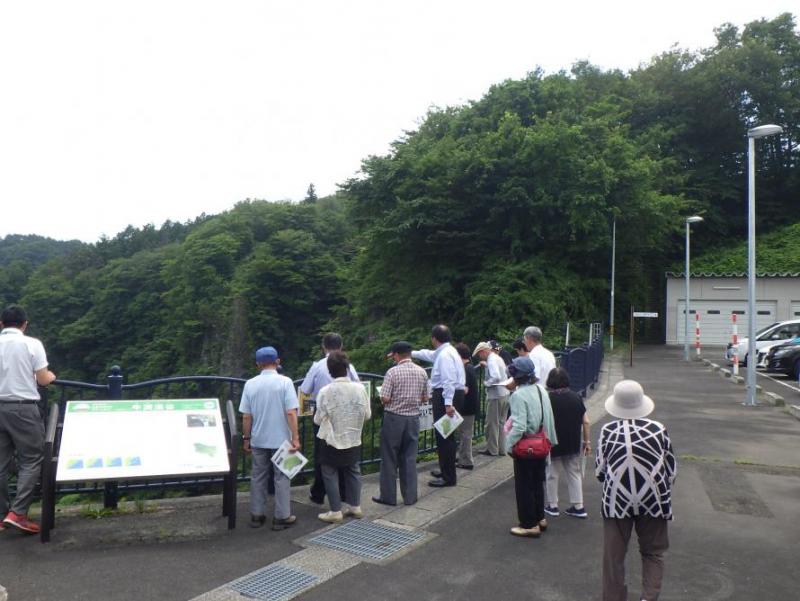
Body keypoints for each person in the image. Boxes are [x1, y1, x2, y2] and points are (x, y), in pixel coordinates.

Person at [596, 380, 676, 601]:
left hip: (616, 501)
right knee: (653, 553)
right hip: (655, 500)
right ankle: (648, 598)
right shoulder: (659, 430)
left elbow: (600, 470)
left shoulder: (607, 431)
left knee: (614, 557)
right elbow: (671, 470)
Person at [0, 305, 56, 534]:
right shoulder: (32, 344)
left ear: (1, 324)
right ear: (24, 324)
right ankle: (18, 513)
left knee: (0, 464)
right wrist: (50, 376)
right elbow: (43, 380)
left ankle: (2, 515)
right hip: (23, 409)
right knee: (32, 459)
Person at [239, 346, 300, 530]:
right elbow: (291, 412)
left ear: (258, 364)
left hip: (258, 439)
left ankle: (257, 515)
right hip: (282, 439)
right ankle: (281, 517)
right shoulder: (285, 382)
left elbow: (246, 416)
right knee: (282, 477)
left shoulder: (250, 384)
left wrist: (246, 438)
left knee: (258, 476)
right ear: (278, 362)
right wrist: (295, 437)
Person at [299, 333, 360, 505]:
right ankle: (344, 493)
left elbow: (305, 389)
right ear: (341, 346)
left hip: (324, 413)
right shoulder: (349, 366)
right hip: (347, 412)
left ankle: (319, 493)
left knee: (323, 454)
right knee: (345, 450)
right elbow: (357, 384)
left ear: (323, 347)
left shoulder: (317, 366)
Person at [314, 351, 371, 523]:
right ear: (347, 368)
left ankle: (335, 511)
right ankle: (355, 507)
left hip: (332, 438)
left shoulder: (325, 391)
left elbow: (318, 418)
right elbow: (367, 414)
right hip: (353, 435)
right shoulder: (360, 389)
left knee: (329, 471)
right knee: (353, 469)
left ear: (330, 371)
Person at [504, 356, 557, 538]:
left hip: (526, 447)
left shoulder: (518, 395)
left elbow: (519, 426)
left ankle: (528, 524)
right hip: (542, 444)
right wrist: (550, 442)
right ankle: (540, 518)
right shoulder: (541, 390)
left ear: (516, 377)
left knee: (524, 486)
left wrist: (509, 446)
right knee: (537, 483)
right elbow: (549, 417)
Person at [375, 341, 429, 506]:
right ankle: (410, 497)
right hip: (413, 419)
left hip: (394, 418)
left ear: (397, 355)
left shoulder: (392, 372)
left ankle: (388, 497)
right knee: (409, 458)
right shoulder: (422, 372)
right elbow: (425, 398)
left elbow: (385, 398)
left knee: (389, 457)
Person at [412, 324, 465, 487]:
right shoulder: (447, 352)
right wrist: (411, 352)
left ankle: (449, 477)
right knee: (445, 435)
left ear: (434, 338)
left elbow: (448, 380)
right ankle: (445, 470)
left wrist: (448, 403)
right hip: (450, 395)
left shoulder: (445, 355)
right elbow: (428, 354)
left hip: (446, 396)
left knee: (445, 436)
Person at [543, 367, 590, 519]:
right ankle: (578, 506)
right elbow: (586, 421)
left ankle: (552, 505)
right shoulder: (576, 397)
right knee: (574, 473)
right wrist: (586, 442)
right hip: (572, 441)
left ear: (550, 381)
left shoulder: (548, 399)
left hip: (553, 442)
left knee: (552, 474)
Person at [473, 341, 510, 456]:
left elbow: (496, 376)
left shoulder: (492, 359)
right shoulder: (496, 358)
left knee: (491, 423)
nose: (480, 357)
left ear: (483, 351)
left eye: (479, 355)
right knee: (502, 423)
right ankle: (502, 449)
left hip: (496, 396)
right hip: (505, 393)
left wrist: (486, 383)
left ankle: (492, 449)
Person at [454, 342, 478, 470]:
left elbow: (465, 389)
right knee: (464, 433)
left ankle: (467, 461)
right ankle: (462, 457)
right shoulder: (470, 367)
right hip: (469, 405)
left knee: (465, 434)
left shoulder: (466, 369)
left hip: (467, 406)